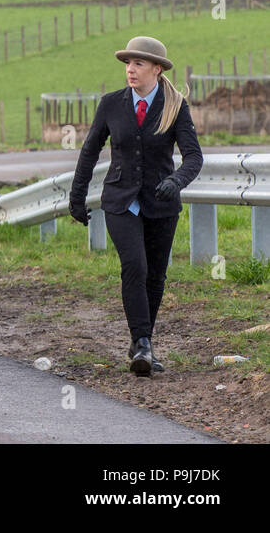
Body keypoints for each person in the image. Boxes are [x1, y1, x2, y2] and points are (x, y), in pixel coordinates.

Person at [68, 35, 202, 377]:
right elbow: (89, 150)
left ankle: (142, 342)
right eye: (128, 63)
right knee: (135, 267)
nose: (130, 70)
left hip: (161, 204)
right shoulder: (111, 104)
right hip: (120, 200)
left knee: (156, 276)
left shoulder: (175, 107)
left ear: (157, 69)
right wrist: (77, 196)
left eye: (138, 63)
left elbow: (194, 157)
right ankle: (142, 342)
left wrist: (176, 182)